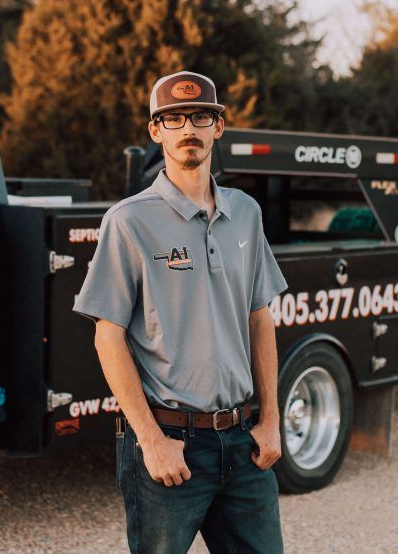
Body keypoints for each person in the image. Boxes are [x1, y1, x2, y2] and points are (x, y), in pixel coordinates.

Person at [73, 71, 288, 554]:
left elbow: (260, 319)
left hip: (242, 442)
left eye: (200, 117)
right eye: (172, 118)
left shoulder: (246, 213)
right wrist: (149, 439)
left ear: (218, 127)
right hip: (171, 445)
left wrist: (269, 419)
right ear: (155, 131)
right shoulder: (129, 221)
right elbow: (108, 337)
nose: (187, 128)